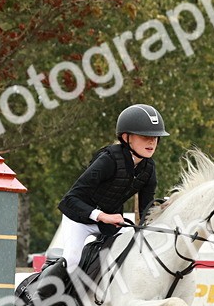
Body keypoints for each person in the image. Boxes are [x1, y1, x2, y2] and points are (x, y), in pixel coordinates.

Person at [55, 103, 168, 269]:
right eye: (145, 136)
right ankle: (43, 293)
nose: (152, 141)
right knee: (71, 260)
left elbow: (146, 212)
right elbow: (69, 200)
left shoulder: (148, 168)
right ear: (126, 137)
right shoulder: (108, 160)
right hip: (78, 219)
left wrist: (165, 209)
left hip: (110, 223)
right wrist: (102, 216)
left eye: (156, 137)